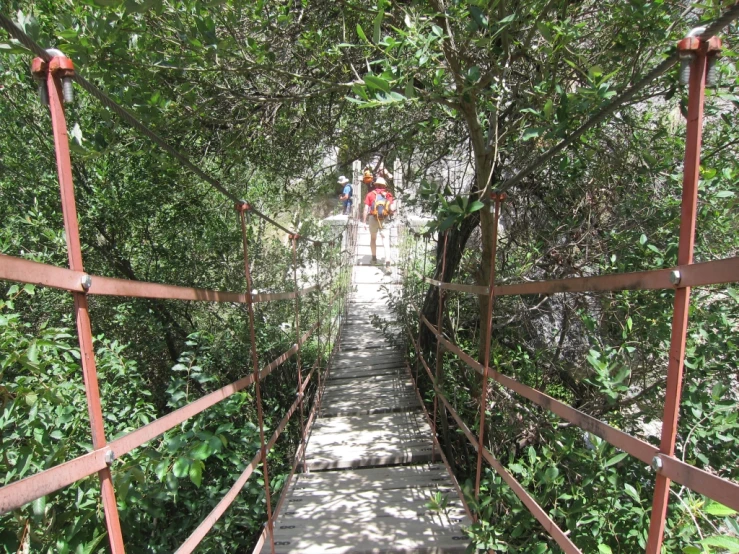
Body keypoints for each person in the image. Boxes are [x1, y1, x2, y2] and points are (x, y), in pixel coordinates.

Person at [362, 176, 396, 266]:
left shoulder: (370, 194)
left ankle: (374, 259)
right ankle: (388, 262)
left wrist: (364, 222)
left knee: (373, 238)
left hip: (373, 219)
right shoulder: (388, 195)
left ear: (375, 185)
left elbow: (366, 209)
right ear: (384, 186)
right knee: (385, 240)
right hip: (384, 219)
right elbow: (392, 208)